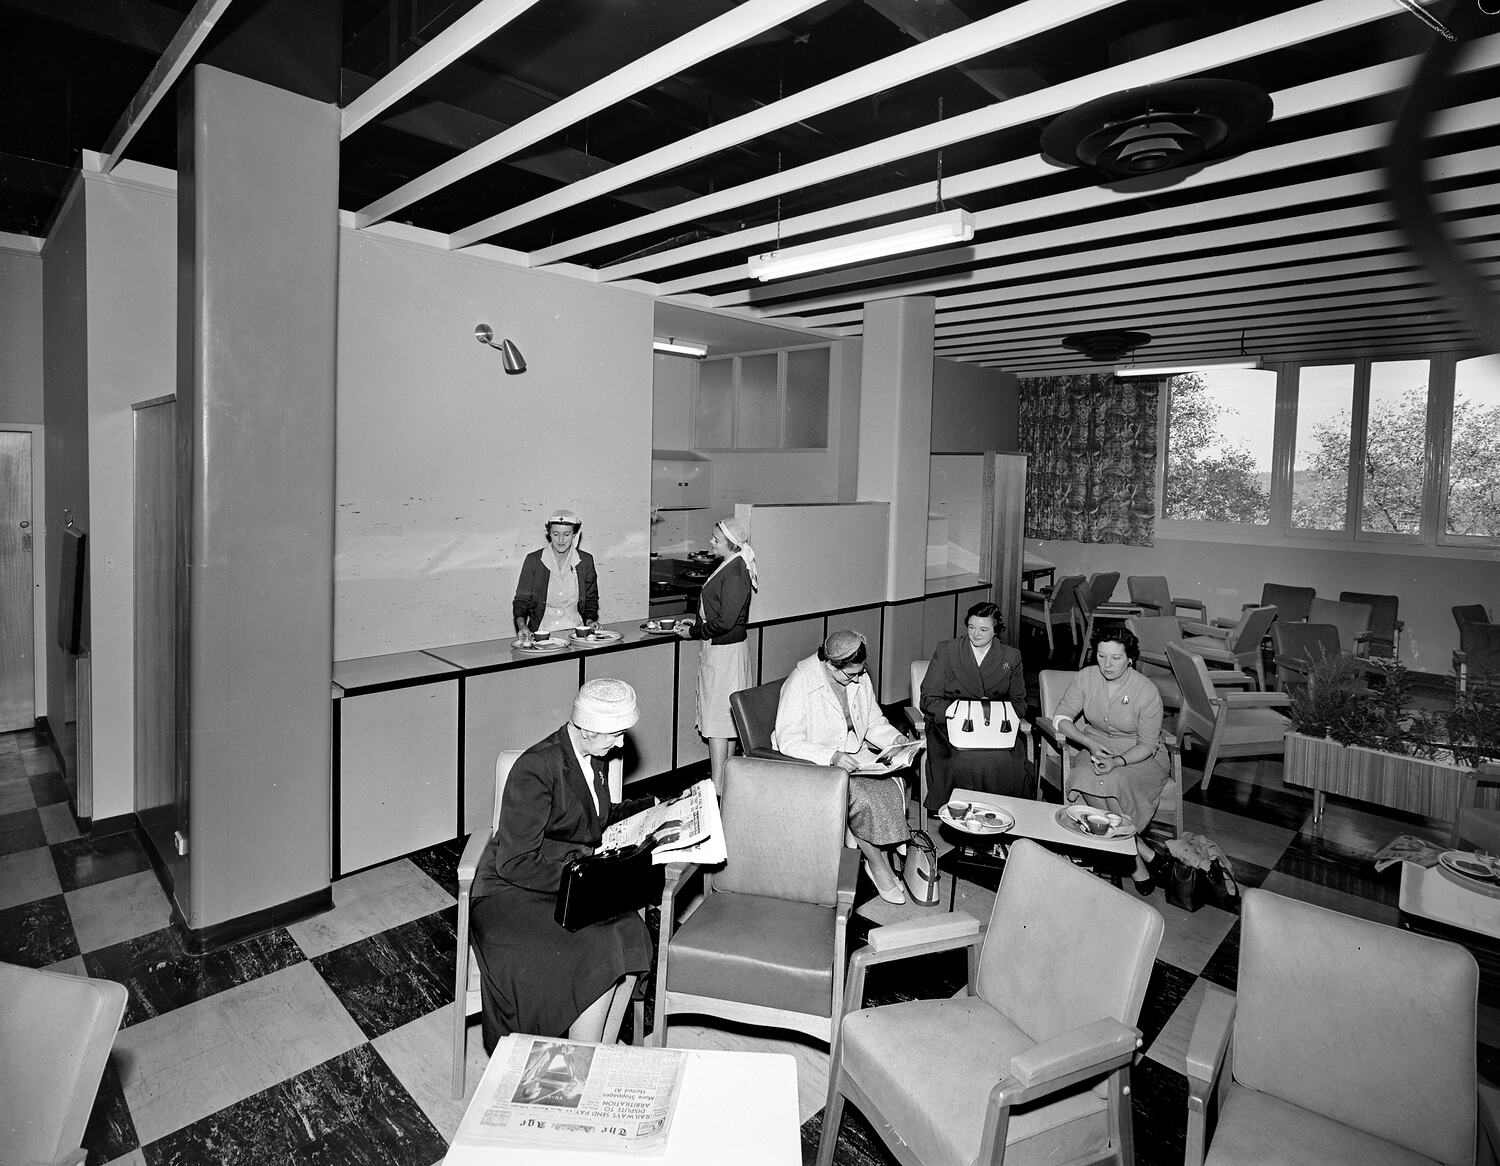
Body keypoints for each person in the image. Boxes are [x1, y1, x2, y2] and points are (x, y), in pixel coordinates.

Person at [469, 678, 654, 1052]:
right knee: (599, 944)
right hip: (514, 892)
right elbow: (515, 861)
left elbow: (592, 816)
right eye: (614, 734)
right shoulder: (536, 767)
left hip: (567, 879)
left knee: (631, 930)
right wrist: (588, 879)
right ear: (586, 728)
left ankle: (596, 1049)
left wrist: (653, 808)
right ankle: (581, 1062)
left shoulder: (593, 756)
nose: (620, 744)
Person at [772, 629, 914, 904]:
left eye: (861, 672)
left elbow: (873, 722)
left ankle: (873, 849)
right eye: (851, 674)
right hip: (812, 761)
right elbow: (788, 740)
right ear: (829, 664)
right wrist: (832, 756)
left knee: (890, 782)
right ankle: (878, 865)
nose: (859, 678)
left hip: (851, 752)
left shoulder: (858, 675)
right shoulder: (801, 681)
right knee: (861, 796)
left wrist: (894, 738)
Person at [1051, 626, 1170, 893]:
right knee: (1082, 777)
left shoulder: (1146, 690)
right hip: (1095, 746)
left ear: (1130, 658)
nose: (1107, 664)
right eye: (1101, 656)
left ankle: (1135, 857)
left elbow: (1148, 745)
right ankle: (1138, 853)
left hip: (1139, 756)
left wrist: (1118, 761)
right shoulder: (1086, 677)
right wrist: (1089, 743)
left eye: (1115, 658)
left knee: (1110, 779)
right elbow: (1061, 719)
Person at [919, 601, 1030, 812]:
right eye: (971, 627)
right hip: (952, 724)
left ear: (996, 630)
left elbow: (1019, 702)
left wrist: (996, 716)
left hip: (996, 726)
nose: (976, 634)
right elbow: (929, 697)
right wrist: (953, 712)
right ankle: (964, 817)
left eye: (983, 629)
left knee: (1004, 760)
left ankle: (998, 816)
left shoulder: (1011, 656)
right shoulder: (947, 650)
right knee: (967, 758)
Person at [677, 518, 756, 793]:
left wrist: (695, 632)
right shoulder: (731, 564)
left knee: (718, 718)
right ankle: (724, 782)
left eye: (715, 540)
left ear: (731, 543)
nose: (711, 543)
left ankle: (718, 785)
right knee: (726, 718)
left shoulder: (735, 572)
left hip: (725, 652)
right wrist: (697, 626)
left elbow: (724, 622)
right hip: (723, 650)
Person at [513, 508, 599, 645]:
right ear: (549, 533)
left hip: (576, 634)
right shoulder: (534, 560)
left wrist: (590, 621)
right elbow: (521, 601)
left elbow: (591, 599)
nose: (560, 540)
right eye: (555, 534)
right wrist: (522, 627)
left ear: (574, 534)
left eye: (566, 534)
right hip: (542, 634)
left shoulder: (586, 561)